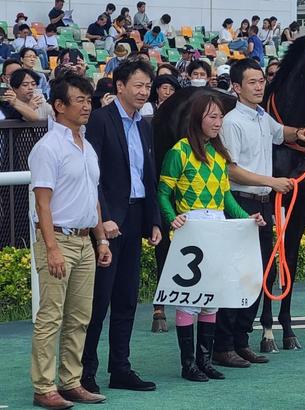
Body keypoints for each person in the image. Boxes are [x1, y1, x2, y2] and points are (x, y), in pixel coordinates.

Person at [213, 58, 305, 367]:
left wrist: (302, 132)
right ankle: (224, 345)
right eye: (253, 82)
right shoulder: (232, 122)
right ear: (236, 87)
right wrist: (271, 182)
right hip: (239, 202)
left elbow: (281, 132)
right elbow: (231, 170)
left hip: (261, 205)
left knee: (258, 275)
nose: (259, 87)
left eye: (261, 81)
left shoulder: (261, 116)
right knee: (236, 277)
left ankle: (241, 340)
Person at [158, 93, 266, 382]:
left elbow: (225, 198)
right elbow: (163, 193)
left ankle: (204, 361)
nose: (218, 122)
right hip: (191, 227)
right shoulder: (179, 152)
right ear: (197, 119)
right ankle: (188, 363)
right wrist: (172, 218)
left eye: (219, 117)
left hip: (217, 226)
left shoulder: (219, 156)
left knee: (211, 299)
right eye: (212, 117)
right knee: (189, 299)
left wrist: (247, 217)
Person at [29, 71, 111, 409]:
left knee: (80, 316)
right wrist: (51, 249)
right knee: (51, 316)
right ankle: (44, 386)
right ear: (59, 106)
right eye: (79, 100)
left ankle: (71, 381)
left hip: (85, 241)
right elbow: (42, 203)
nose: (87, 106)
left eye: (88, 100)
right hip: (58, 239)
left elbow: (91, 195)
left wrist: (101, 239)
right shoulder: (48, 147)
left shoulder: (86, 145)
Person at [81, 60, 162, 394]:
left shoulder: (144, 124)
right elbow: (92, 175)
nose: (144, 92)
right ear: (120, 86)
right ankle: (85, 372)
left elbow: (149, 175)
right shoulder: (100, 120)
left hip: (136, 217)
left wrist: (155, 220)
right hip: (108, 225)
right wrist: (104, 218)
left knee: (128, 298)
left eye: (147, 87)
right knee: (99, 301)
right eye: (138, 86)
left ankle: (121, 368)